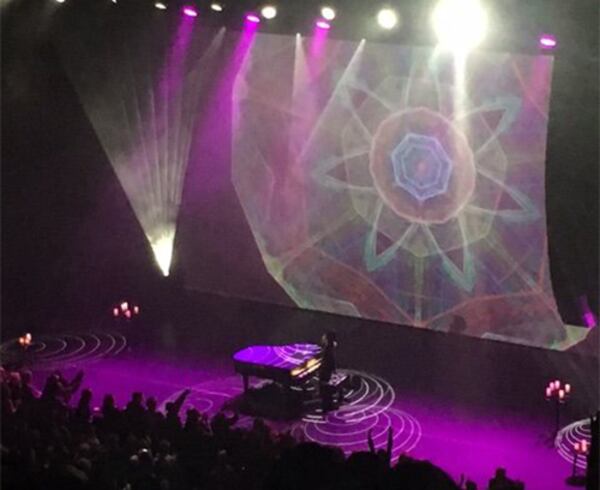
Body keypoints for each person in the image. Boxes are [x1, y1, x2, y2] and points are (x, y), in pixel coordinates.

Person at [319, 331, 338, 412]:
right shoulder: (329, 348)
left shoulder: (327, 349)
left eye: (324, 337)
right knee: (327, 388)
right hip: (327, 371)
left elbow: (328, 361)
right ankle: (328, 405)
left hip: (325, 372)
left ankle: (326, 406)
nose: (322, 338)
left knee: (325, 388)